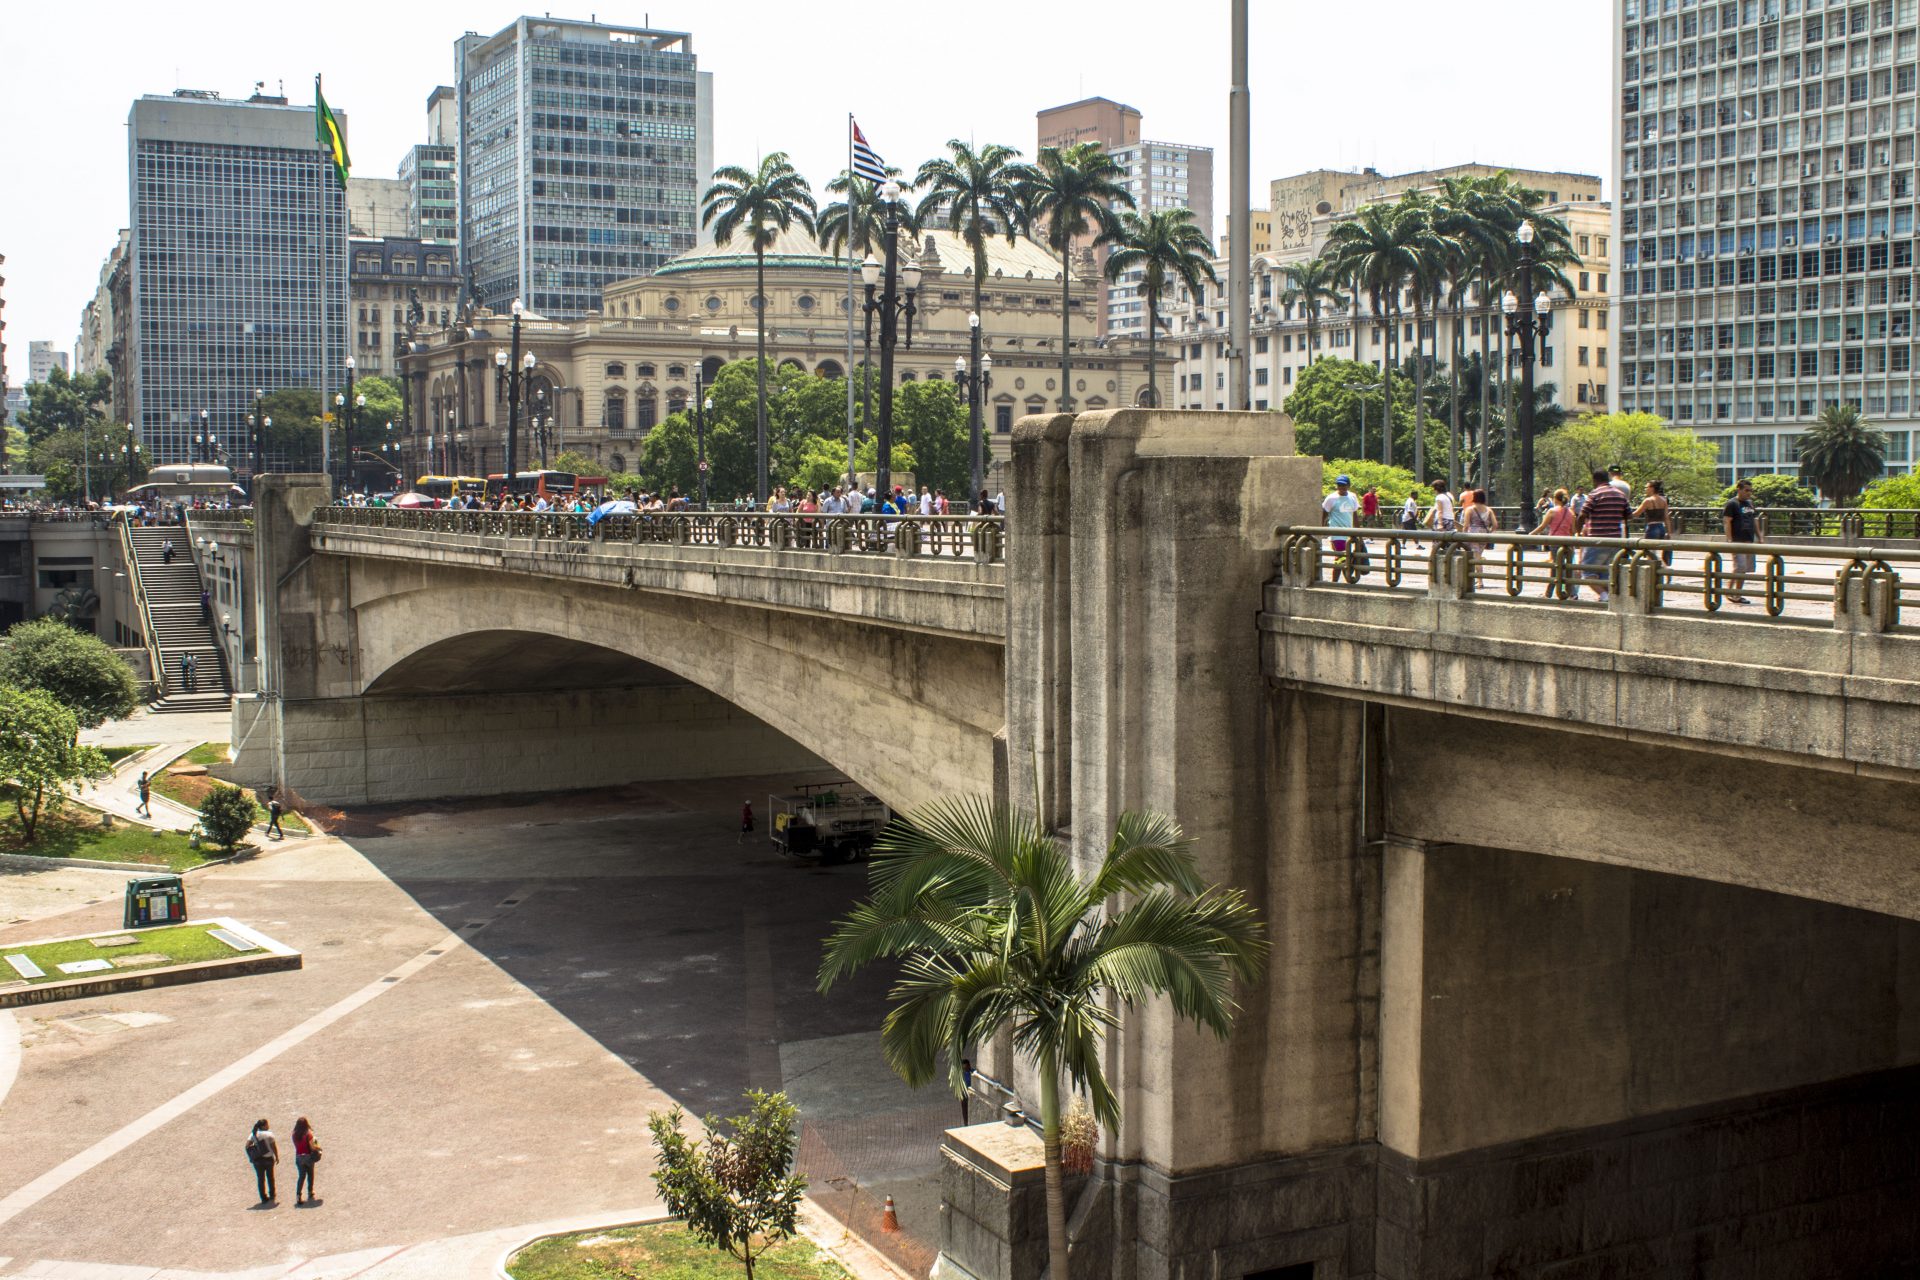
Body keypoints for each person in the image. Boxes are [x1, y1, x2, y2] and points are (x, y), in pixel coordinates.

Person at [1577, 467, 1631, 602]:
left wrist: (1578, 533)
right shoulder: (1620, 494)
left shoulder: (1595, 494)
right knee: (1605, 574)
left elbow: (1582, 515)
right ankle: (1609, 598)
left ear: (1595, 480)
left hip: (1597, 539)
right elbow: (1628, 516)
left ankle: (1604, 595)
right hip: (1615, 541)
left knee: (1587, 572)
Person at [1531, 488, 1578, 596]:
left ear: (1556, 499)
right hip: (1568, 543)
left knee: (1556, 568)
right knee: (1568, 568)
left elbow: (1542, 527)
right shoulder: (1571, 512)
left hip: (1555, 543)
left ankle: (1549, 594)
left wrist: (1530, 535)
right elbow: (1573, 531)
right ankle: (1571, 593)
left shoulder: (1552, 511)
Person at [1723, 477, 1761, 604]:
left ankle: (1735, 593)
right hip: (1737, 539)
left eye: (1750, 490)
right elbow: (1727, 521)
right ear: (1739, 490)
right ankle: (1732, 592)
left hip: (1749, 539)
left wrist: (1759, 537)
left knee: (1744, 569)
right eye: (1746, 490)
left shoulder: (1750, 503)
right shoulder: (1732, 503)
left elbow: (1754, 520)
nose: (1749, 493)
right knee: (1740, 566)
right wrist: (1729, 539)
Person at [1321, 474, 1364, 569]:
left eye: (1344, 485)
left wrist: (1359, 535)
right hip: (1337, 533)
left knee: (1344, 560)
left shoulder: (1352, 497)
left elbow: (1355, 516)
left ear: (1348, 486)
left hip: (1349, 533)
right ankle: (1342, 581)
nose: (1341, 487)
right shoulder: (1331, 498)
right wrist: (1321, 531)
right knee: (1342, 558)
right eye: (1339, 485)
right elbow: (1324, 515)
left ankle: (1339, 581)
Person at [1632, 479, 1672, 566]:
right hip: (1661, 527)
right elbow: (1666, 517)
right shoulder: (1663, 500)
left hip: (1652, 528)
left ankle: (1654, 573)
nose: (1645, 489)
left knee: (1649, 553)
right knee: (1657, 552)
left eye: (1647, 487)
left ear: (1652, 488)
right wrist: (1669, 532)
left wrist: (1625, 514)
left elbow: (1637, 514)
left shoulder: (1648, 501)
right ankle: (1663, 572)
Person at [247, 1118, 280, 1203]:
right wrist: (276, 1156)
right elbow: (273, 1146)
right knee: (270, 1177)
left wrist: (252, 1156)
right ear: (264, 1126)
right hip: (268, 1159)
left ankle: (263, 1197)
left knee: (260, 1179)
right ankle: (272, 1195)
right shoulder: (269, 1134)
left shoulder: (253, 1134)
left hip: (258, 1160)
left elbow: (247, 1146)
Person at [292, 1116, 321, 1203]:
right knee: (310, 1175)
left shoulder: (294, 1134)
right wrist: (318, 1147)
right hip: (308, 1157)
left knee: (301, 1176)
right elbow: (312, 1147)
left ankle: (298, 1195)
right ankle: (310, 1192)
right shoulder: (308, 1135)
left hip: (299, 1157)